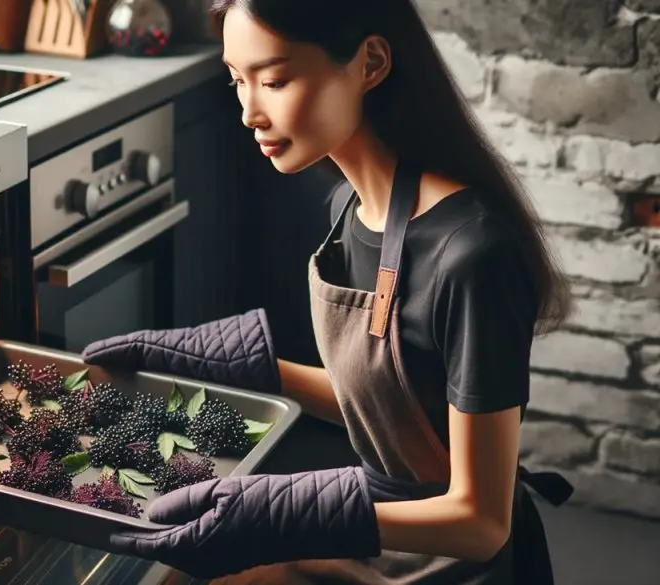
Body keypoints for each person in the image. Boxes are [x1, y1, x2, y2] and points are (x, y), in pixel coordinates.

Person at [79, 0, 577, 583]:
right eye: (238, 81)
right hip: (377, 531)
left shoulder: (471, 254)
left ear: (369, 63)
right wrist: (249, 370)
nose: (249, 113)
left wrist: (291, 513)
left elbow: (481, 521)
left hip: (448, 560)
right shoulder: (349, 206)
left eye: (275, 80)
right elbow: (395, 407)